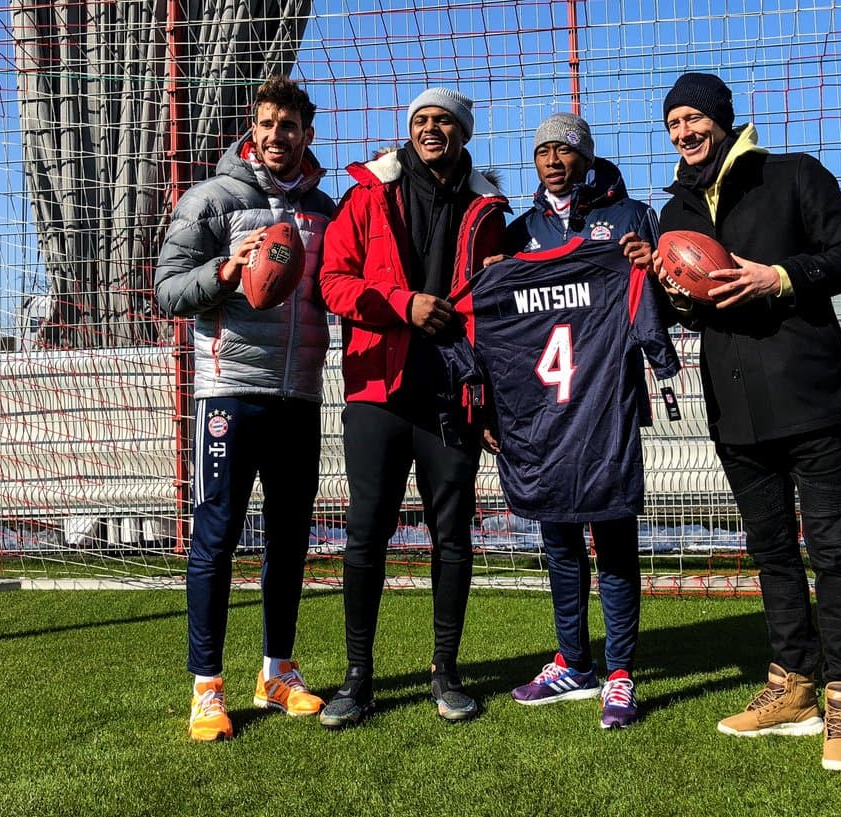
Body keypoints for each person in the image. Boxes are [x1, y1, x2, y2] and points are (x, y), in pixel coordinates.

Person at [653, 73, 841, 771]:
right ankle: (793, 685)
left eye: (693, 118)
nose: (684, 132)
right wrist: (674, 293)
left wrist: (777, 277)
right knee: (773, 552)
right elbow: (689, 312)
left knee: (832, 553)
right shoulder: (674, 211)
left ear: (721, 119)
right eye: (673, 123)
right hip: (736, 406)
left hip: (808, 396)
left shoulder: (792, 175)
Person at [317, 88, 509, 727]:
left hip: (453, 394)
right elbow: (332, 283)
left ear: (463, 133)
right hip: (379, 391)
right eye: (421, 120)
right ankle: (358, 677)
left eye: (443, 121)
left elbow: (503, 307)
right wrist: (404, 305)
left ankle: (446, 672)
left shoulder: (488, 208)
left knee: (452, 535)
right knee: (366, 531)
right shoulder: (367, 194)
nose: (431, 129)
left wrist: (495, 398)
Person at [155, 75, 335, 742]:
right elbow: (167, 289)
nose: (275, 135)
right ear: (251, 131)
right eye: (265, 124)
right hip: (228, 393)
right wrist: (224, 273)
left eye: (288, 125)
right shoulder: (212, 199)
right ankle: (207, 688)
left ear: (306, 134)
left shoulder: (324, 209)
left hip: (300, 394)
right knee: (217, 535)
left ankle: (277, 673)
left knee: (289, 537)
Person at [492, 113, 671, 728]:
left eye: (564, 150)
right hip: (542, 414)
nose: (552, 160)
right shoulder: (520, 232)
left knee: (614, 539)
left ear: (586, 158)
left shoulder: (631, 217)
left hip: (606, 408)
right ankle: (573, 660)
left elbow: (661, 294)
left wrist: (653, 266)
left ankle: (620, 671)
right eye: (542, 150)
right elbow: (500, 323)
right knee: (559, 540)